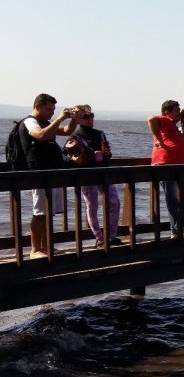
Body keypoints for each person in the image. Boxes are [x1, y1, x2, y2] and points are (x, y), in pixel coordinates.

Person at [22, 93, 81, 258]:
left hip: (52, 172)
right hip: (39, 173)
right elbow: (40, 135)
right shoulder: (30, 121)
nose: (52, 113)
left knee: (49, 212)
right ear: (37, 106)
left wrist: (74, 118)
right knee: (40, 211)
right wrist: (60, 119)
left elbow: (67, 130)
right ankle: (35, 249)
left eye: (54, 109)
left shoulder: (46, 123)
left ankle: (47, 247)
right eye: (49, 109)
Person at [69, 105, 121, 248]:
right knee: (92, 205)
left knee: (115, 202)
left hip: (103, 172)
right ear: (79, 119)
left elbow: (108, 154)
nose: (90, 119)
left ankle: (111, 235)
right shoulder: (75, 136)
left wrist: (107, 154)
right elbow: (68, 155)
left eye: (92, 115)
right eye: (86, 117)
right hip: (86, 175)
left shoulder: (100, 134)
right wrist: (80, 156)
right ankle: (99, 237)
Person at [148, 100, 184, 238]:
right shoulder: (165, 120)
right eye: (176, 110)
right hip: (167, 165)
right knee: (172, 197)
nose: (179, 113)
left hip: (181, 166)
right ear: (167, 112)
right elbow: (151, 119)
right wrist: (159, 140)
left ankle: (181, 225)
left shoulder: (174, 126)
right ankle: (176, 228)